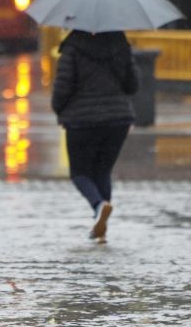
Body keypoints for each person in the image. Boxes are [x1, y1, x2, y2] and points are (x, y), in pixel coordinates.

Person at [51, 30, 140, 243]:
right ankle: (102, 226)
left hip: (81, 121)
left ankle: (99, 206)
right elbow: (133, 85)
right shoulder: (121, 44)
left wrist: (58, 109)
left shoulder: (72, 47)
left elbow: (63, 87)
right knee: (102, 171)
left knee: (80, 173)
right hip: (118, 119)